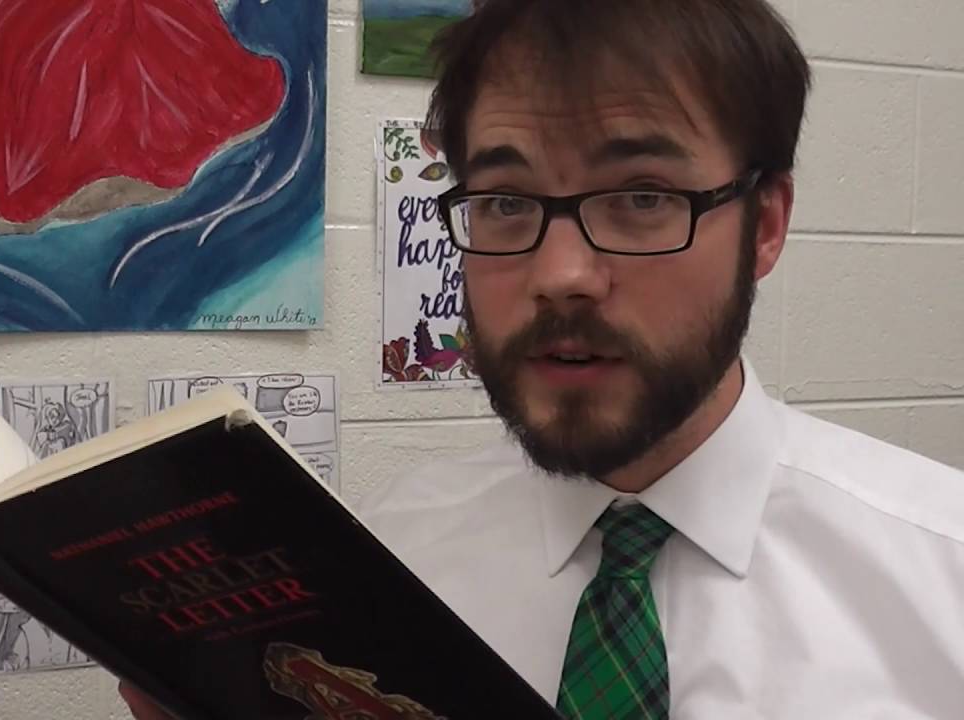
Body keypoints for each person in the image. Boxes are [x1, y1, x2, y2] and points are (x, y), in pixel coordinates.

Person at [123, 0, 964, 716]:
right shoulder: (385, 564)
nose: (561, 275)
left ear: (766, 224)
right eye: (505, 202)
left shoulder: (941, 580)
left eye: (642, 197)